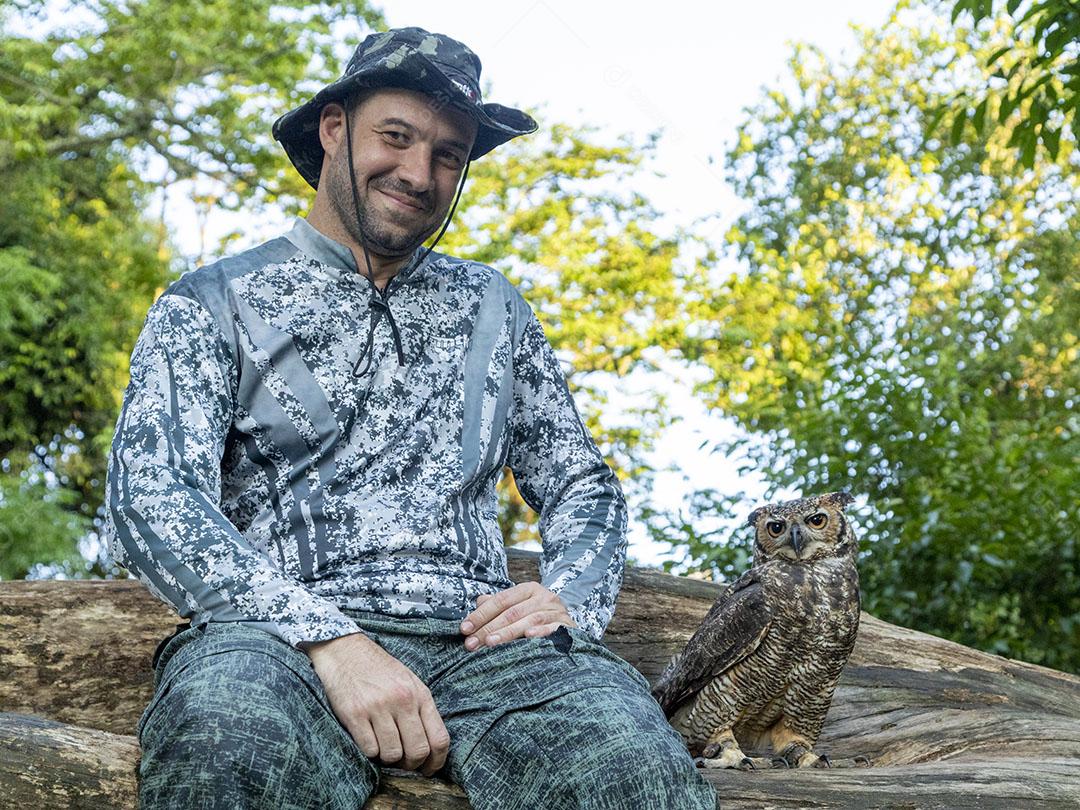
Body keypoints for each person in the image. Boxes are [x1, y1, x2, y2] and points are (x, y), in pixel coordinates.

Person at [104, 26, 716, 810]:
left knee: (631, 765)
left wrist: (569, 597)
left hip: (489, 653)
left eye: (448, 155)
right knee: (225, 735)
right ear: (334, 129)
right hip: (275, 645)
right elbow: (153, 496)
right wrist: (329, 638)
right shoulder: (210, 303)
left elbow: (581, 484)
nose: (419, 174)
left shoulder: (494, 307)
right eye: (396, 137)